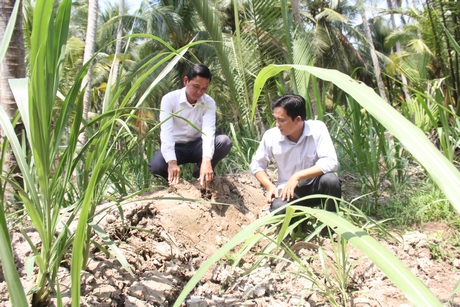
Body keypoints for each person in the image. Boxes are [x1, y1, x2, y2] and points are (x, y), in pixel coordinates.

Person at [250, 94, 341, 215]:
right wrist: (270, 186)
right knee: (278, 209)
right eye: (276, 119)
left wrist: (297, 176)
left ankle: (330, 227)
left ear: (298, 119)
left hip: (315, 187)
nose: (277, 124)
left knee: (331, 180)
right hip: (288, 192)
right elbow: (257, 165)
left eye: (281, 120)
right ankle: (299, 222)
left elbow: (330, 162)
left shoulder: (318, 129)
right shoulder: (271, 136)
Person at [149, 64, 232, 187]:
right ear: (186, 81)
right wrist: (171, 162)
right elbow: (166, 132)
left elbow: (208, 132)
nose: (199, 92)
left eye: (204, 88)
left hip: (197, 146)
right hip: (176, 148)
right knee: (157, 166)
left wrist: (206, 160)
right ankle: (173, 184)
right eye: (196, 86)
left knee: (224, 142)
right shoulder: (169, 99)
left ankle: (200, 173)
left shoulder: (209, 102)